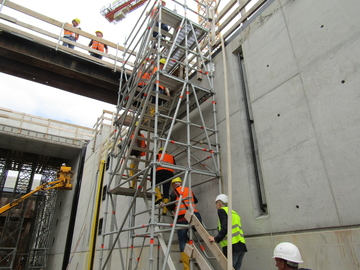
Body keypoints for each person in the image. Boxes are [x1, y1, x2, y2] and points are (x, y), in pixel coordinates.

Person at [167, 177, 202, 270]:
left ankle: (186, 266)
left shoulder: (174, 192)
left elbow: (170, 207)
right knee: (187, 238)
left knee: (182, 240)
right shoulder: (189, 190)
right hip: (193, 216)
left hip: (182, 218)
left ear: (174, 184)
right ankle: (189, 255)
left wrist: (165, 204)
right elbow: (196, 201)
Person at [209, 194, 247, 270]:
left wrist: (216, 239)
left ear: (219, 204)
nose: (216, 206)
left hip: (231, 246)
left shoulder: (222, 211)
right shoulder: (234, 212)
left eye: (216, 204)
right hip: (241, 245)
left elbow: (225, 228)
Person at [151, 147, 175, 214]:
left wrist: (151, 178)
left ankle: (158, 196)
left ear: (160, 152)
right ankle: (165, 210)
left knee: (153, 184)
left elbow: (153, 166)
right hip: (169, 174)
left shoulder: (158, 155)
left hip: (160, 172)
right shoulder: (171, 157)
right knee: (166, 192)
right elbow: (174, 165)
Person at [128, 122, 147, 188]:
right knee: (133, 161)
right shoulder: (131, 134)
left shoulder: (141, 136)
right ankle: (131, 173)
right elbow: (128, 143)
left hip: (139, 153)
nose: (138, 128)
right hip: (133, 152)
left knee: (135, 169)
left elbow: (144, 145)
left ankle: (132, 185)